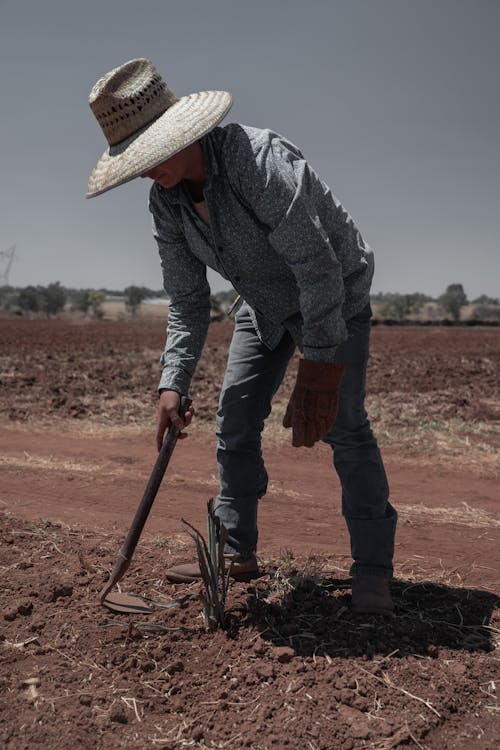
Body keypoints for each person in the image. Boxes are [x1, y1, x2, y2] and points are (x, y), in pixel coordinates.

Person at [87, 58, 397, 614]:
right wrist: (171, 382)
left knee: (343, 425)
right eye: (133, 162)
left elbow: (317, 265)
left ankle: (373, 569)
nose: (143, 171)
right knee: (234, 416)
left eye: (149, 155)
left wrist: (321, 366)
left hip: (332, 296)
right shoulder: (167, 201)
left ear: (180, 132)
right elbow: (186, 299)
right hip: (263, 303)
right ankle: (236, 548)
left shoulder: (256, 160)